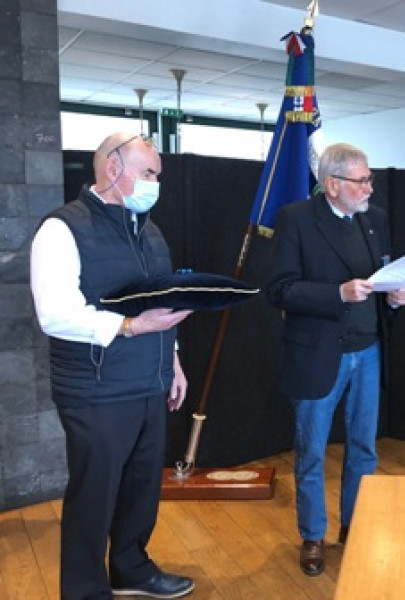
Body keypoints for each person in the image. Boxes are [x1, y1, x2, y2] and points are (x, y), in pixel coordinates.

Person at [30, 133, 195, 599]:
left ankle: (132, 570)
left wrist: (175, 361)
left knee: (141, 491)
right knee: (94, 498)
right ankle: (85, 591)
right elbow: (55, 314)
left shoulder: (149, 229)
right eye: (148, 173)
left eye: (157, 175)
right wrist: (132, 327)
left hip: (149, 379)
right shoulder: (62, 228)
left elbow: (162, 304)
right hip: (95, 389)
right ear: (112, 169)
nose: (155, 183)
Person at [265, 142, 405, 576]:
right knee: (311, 451)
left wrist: (397, 296)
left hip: (368, 350)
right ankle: (313, 535)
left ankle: (355, 525)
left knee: (363, 450)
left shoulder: (375, 219)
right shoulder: (296, 219)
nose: (370, 188)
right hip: (319, 355)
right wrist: (337, 293)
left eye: (370, 180)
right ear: (332, 185)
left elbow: (383, 274)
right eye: (361, 180)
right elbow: (279, 290)